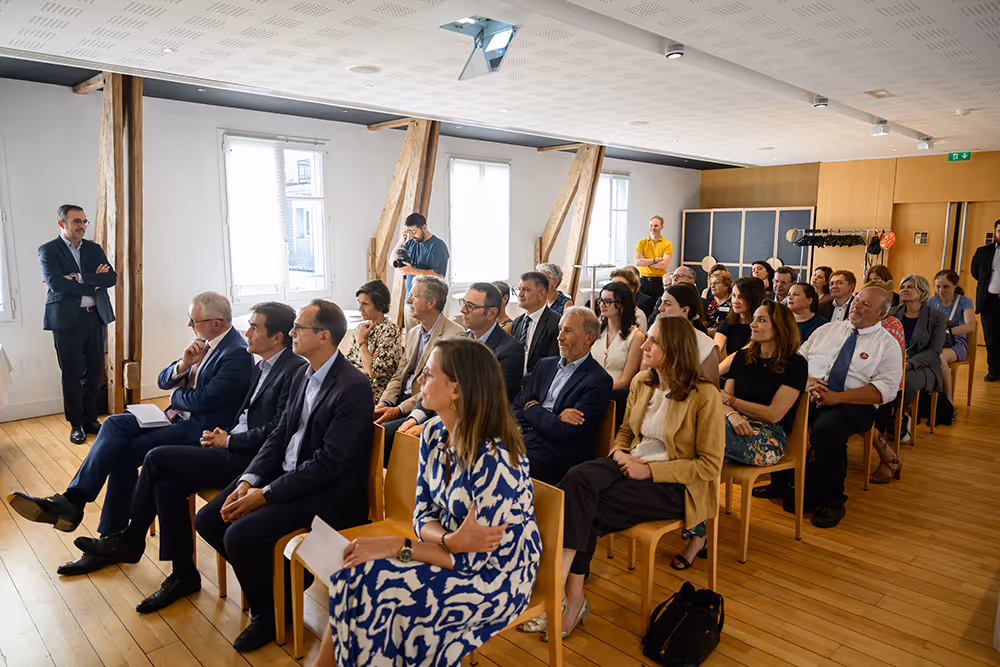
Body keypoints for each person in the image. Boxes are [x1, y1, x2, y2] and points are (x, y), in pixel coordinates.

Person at [313, 338, 540, 666]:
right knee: (350, 579)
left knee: (385, 592)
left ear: (456, 390)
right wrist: (448, 539)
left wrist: (398, 546)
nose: (419, 381)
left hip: (497, 578)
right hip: (447, 551)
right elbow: (422, 514)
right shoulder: (433, 432)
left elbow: (471, 562)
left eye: (429, 375)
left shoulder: (496, 458)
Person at [67, 303, 306, 606]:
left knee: (155, 458)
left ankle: (131, 538)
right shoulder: (261, 364)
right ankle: (183, 574)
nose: (247, 332)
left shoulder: (292, 370)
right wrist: (222, 433)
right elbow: (238, 411)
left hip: (250, 459)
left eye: (254, 327)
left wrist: (230, 440)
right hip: (226, 440)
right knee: (167, 485)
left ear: (278, 338)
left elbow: (277, 431)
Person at [7, 293, 253, 563]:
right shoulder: (203, 343)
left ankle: (96, 526)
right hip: (177, 418)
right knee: (113, 423)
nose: (189, 325)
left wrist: (175, 397)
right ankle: (76, 503)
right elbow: (163, 381)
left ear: (216, 323)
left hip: (198, 430)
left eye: (194, 321)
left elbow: (203, 401)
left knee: (123, 453)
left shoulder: (236, 354)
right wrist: (184, 365)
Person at [517, 317, 722, 640]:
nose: (644, 346)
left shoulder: (704, 395)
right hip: (632, 463)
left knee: (584, 506)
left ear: (673, 349)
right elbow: (625, 432)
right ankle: (565, 596)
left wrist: (650, 470)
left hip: (676, 485)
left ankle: (563, 596)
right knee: (577, 479)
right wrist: (619, 452)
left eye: (652, 341)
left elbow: (709, 466)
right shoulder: (644, 382)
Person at [195, 299, 374, 652]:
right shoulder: (301, 373)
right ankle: (279, 590)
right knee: (209, 521)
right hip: (288, 473)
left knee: (239, 535)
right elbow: (279, 435)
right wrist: (249, 480)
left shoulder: (352, 385)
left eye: (300, 328)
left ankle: (272, 613)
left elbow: (329, 463)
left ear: (324, 336)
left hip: (328, 492)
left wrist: (266, 493)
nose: (291, 333)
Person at [789, 287, 903, 528]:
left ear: (881, 314)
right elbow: (798, 361)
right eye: (857, 301)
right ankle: (790, 484)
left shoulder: (887, 345)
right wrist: (809, 382)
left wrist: (837, 398)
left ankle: (833, 500)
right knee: (780, 416)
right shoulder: (827, 330)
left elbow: (885, 390)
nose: (856, 306)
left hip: (853, 403)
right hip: (811, 394)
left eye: (865, 305)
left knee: (826, 430)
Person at [396, 282, 525, 436]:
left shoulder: (510, 350)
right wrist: (415, 418)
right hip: (439, 414)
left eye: (470, 306)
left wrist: (429, 427)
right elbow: (434, 385)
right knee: (394, 432)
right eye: (463, 303)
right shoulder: (459, 340)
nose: (462, 310)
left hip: (475, 428)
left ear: (491, 313)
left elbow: (488, 404)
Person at [37, 204, 118, 444]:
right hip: (66, 321)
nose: (82, 226)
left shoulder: (94, 249)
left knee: (93, 372)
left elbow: (111, 278)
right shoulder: (48, 250)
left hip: (95, 316)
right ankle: (76, 424)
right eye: (76, 222)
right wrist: (93, 281)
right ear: (62, 224)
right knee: (71, 374)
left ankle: (91, 419)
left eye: (84, 221)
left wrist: (79, 277)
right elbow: (55, 284)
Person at [512, 306, 613, 485]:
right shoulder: (545, 365)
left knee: (509, 467)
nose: (559, 337)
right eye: (560, 329)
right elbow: (517, 408)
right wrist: (554, 416)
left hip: (557, 453)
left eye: (568, 331)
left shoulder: (598, 380)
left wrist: (533, 407)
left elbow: (566, 433)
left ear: (588, 338)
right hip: (524, 438)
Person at [373, 276, 464, 463]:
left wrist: (399, 409)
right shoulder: (414, 332)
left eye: (414, 296)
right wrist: (385, 402)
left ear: (431, 302)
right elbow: (399, 373)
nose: (408, 301)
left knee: (383, 435)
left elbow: (438, 387)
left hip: (425, 406)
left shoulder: (454, 335)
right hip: (400, 400)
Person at [720, 301, 806, 468]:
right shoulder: (742, 357)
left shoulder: (795, 364)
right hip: (731, 424)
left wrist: (731, 402)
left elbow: (773, 414)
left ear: (779, 327)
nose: (752, 324)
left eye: (761, 320)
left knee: (700, 434)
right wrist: (732, 415)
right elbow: (723, 401)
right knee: (699, 430)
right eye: (754, 319)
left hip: (768, 438)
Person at [885, 275, 946, 445]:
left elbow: (935, 350)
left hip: (923, 365)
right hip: (892, 361)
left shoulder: (936, 316)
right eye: (903, 286)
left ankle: (895, 418)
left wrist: (910, 363)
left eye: (910, 287)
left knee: (908, 382)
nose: (904, 289)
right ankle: (888, 417)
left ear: (922, 292)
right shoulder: (891, 312)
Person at [592, 281, 643, 428]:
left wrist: (595, 389)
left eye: (608, 301)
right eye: (601, 300)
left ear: (621, 305)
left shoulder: (636, 337)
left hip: (616, 396)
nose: (602, 305)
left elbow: (625, 380)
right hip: (592, 391)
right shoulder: (596, 332)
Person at [346, 279, 402, 404]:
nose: (360, 309)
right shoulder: (361, 328)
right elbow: (346, 365)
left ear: (379, 305)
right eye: (359, 303)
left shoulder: (389, 330)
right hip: (355, 385)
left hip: (375, 393)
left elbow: (373, 373)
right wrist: (365, 366)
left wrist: (361, 342)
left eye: (365, 304)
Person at [658, 283, 721, 386]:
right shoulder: (656, 335)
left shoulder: (706, 345)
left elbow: (711, 392)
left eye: (667, 303)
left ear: (685, 310)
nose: (660, 308)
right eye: (661, 302)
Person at [929, 270, 976, 408]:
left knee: (941, 357)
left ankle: (948, 405)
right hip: (935, 342)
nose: (941, 290)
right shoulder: (932, 301)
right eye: (938, 286)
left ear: (955, 286)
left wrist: (946, 332)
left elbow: (970, 326)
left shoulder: (964, 301)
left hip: (956, 343)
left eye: (945, 286)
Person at [510, 271, 561, 378]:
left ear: (541, 294)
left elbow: (553, 364)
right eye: (519, 289)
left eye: (526, 290)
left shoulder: (556, 323)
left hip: (539, 386)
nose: (520, 294)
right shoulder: (518, 322)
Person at [392, 213, 449, 295]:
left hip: (428, 300)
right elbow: (392, 260)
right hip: (411, 298)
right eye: (409, 232)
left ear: (424, 228)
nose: (411, 235)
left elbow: (439, 276)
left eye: (414, 232)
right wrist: (401, 241)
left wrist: (412, 271)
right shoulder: (412, 243)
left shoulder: (438, 246)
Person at [971, 219, 1000, 381]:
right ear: (995, 232)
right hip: (990, 301)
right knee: (991, 338)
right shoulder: (983, 251)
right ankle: (994, 371)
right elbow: (976, 273)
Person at [714, 277, 767, 358]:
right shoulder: (728, 322)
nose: (735, 301)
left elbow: (740, 356)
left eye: (741, 297)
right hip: (731, 368)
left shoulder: (760, 326)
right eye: (734, 296)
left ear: (753, 298)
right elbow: (715, 351)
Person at [634, 215, 673, 302]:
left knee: (657, 308)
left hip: (658, 282)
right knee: (642, 306)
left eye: (656, 225)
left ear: (662, 227)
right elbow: (638, 262)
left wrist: (645, 261)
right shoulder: (641, 243)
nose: (653, 228)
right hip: (643, 281)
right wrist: (655, 260)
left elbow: (663, 265)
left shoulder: (667, 244)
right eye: (651, 225)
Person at [610, 267, 649, 334]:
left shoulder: (639, 316)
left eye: (620, 286)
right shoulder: (607, 311)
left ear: (632, 289)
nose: (614, 289)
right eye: (612, 285)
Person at [704, 270, 733, 335]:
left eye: (716, 283)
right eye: (711, 283)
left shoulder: (733, 302)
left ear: (726, 285)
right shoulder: (708, 301)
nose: (712, 286)